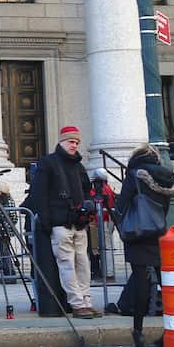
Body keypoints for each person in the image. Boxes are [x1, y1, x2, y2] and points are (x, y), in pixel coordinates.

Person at [22, 125, 99, 318]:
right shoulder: (48, 163)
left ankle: (86, 300)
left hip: (78, 224)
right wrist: (47, 221)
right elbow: (40, 193)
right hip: (59, 224)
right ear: (62, 141)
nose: (74, 145)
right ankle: (77, 303)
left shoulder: (78, 166)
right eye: (71, 141)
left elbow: (86, 190)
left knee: (83, 263)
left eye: (77, 142)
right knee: (67, 264)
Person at [115, 145, 174, 347]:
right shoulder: (166, 177)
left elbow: (121, 204)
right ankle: (172, 329)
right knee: (165, 283)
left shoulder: (135, 175)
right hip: (158, 232)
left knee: (141, 284)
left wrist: (121, 224)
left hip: (137, 233)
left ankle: (138, 331)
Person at [89, 169, 117, 281]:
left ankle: (108, 273)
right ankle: (108, 271)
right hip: (106, 220)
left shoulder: (101, 190)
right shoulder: (108, 188)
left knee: (105, 248)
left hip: (103, 220)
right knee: (105, 247)